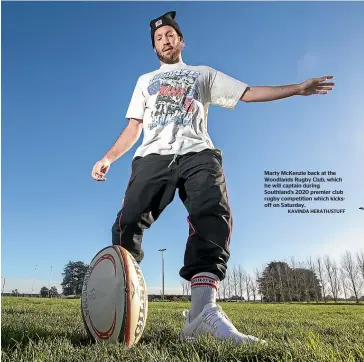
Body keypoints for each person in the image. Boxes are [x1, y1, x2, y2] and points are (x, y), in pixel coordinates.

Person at [91, 11, 335, 344]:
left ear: (181, 40)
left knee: (212, 215)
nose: (165, 40)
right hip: (153, 156)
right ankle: (118, 298)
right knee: (128, 220)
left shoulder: (201, 74)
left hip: (198, 153)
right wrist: (108, 157)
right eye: (159, 37)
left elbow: (246, 92)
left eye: (170, 35)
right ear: (154, 47)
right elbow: (134, 126)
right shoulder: (145, 81)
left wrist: (297, 88)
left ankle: (202, 313)